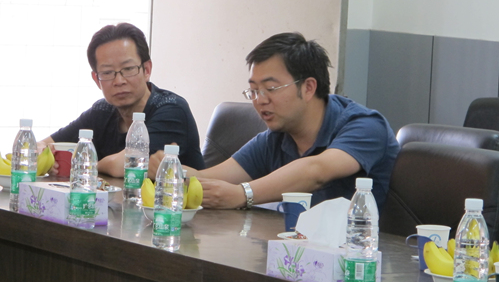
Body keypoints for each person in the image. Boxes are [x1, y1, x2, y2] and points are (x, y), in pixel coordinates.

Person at [149, 32, 399, 212]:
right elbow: (214, 177)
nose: (260, 100)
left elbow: (316, 171)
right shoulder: (276, 137)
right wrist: (173, 171)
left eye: (270, 88)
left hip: (355, 259)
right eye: (254, 91)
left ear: (308, 87)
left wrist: (243, 194)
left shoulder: (365, 126)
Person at [38, 22, 205, 176]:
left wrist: (81, 165)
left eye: (128, 69)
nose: (119, 81)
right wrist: (45, 155)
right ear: (96, 79)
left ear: (146, 70)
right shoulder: (102, 110)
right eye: (107, 72)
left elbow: (123, 164)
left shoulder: (172, 110)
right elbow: (45, 145)